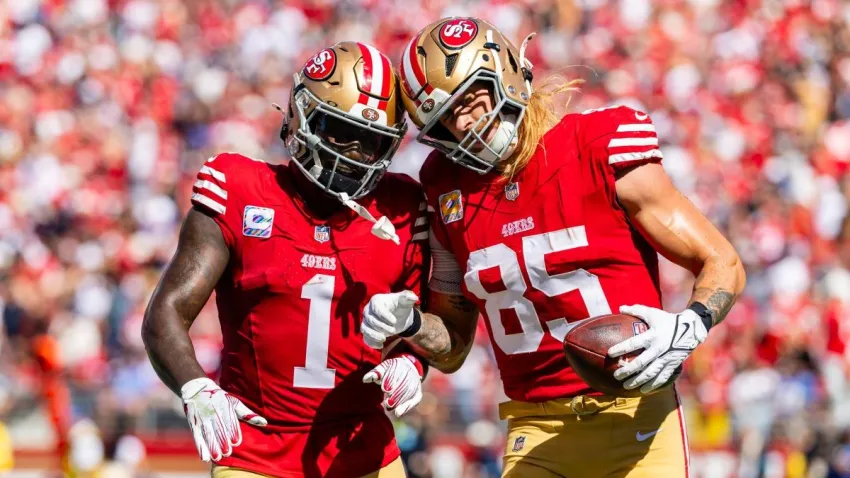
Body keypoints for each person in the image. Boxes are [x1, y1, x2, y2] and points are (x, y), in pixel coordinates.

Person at [360, 17, 746, 478]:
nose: (463, 123)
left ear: (505, 72)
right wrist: (412, 329)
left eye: (470, 99)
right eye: (445, 117)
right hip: (534, 430)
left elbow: (722, 261)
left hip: (636, 419)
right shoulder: (444, 187)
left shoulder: (598, 145)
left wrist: (691, 324)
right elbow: (455, 345)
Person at [142, 42, 430, 478]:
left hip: (363, 448)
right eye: (338, 130)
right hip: (255, 453)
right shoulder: (240, 188)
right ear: (301, 117)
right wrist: (195, 386)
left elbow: (432, 321)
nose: (352, 152)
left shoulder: (403, 206)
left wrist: (413, 361)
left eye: (370, 141)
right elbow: (165, 312)